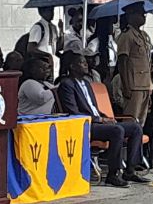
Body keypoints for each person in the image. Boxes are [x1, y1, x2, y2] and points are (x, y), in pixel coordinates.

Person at [58, 53, 143, 188]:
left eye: (85, 62)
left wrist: (106, 118)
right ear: (72, 67)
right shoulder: (67, 85)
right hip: (85, 125)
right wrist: (100, 119)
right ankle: (112, 174)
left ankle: (130, 170)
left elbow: (93, 108)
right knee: (117, 130)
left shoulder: (86, 83)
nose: (86, 65)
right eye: (82, 63)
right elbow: (74, 112)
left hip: (98, 121)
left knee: (135, 127)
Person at [116, 2, 153, 126]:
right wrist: (126, 86)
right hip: (133, 85)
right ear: (130, 15)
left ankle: (137, 145)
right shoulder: (127, 35)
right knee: (131, 120)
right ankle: (128, 145)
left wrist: (150, 84)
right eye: (140, 13)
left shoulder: (142, 35)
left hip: (144, 84)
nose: (144, 16)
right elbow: (123, 61)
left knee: (141, 122)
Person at [27, 6, 61, 74]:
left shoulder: (53, 27)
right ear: (41, 12)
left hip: (52, 63)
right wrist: (47, 55)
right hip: (42, 63)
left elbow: (57, 47)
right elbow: (31, 49)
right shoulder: (38, 27)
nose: (52, 13)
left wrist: (61, 31)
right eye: (49, 11)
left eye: (52, 10)